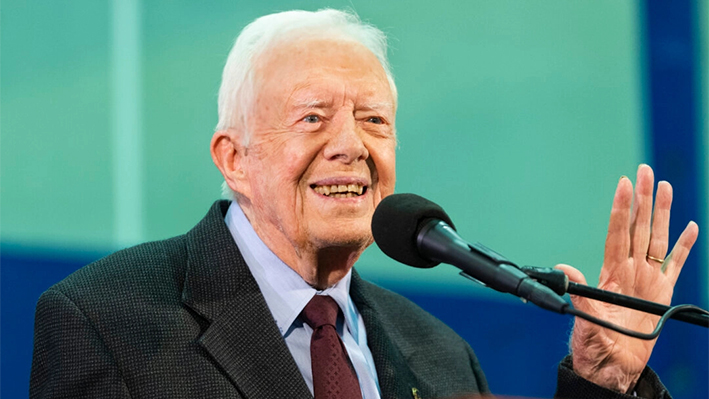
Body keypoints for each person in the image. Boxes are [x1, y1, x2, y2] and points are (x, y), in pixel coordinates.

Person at [30, 9, 698, 399]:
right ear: (234, 158)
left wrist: (601, 379)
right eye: (314, 118)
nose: (351, 146)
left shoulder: (439, 357)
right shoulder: (107, 322)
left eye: (374, 121)